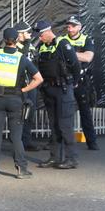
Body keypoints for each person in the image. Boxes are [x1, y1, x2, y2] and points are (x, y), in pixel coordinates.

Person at [0, 28, 43, 179]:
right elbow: (38, 78)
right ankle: (22, 169)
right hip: (15, 100)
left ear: (4, 39)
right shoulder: (22, 58)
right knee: (16, 136)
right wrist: (25, 89)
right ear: (17, 40)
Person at [34, 20, 81, 169]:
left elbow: (75, 65)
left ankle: (71, 158)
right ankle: (54, 157)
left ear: (48, 31)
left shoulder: (62, 44)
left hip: (63, 89)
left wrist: (73, 82)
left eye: (41, 35)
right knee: (53, 125)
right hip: (49, 89)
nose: (39, 38)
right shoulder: (42, 47)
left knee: (65, 125)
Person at [60, 15, 98, 150]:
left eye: (73, 26)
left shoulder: (86, 40)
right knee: (63, 112)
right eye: (68, 26)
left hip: (82, 80)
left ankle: (91, 141)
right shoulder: (61, 39)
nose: (69, 28)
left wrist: (68, 52)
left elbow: (88, 57)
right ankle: (60, 142)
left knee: (85, 112)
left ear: (79, 27)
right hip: (65, 79)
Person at [14, 21, 41, 151]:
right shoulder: (16, 45)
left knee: (30, 112)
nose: (30, 35)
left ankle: (26, 139)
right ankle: (18, 141)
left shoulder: (29, 46)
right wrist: (27, 42)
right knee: (21, 113)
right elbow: (22, 56)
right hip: (21, 84)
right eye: (27, 32)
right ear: (20, 34)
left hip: (31, 82)